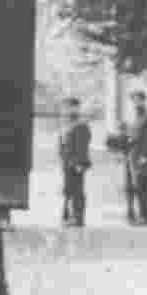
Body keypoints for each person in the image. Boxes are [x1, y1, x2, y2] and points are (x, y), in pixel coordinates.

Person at [124, 90, 147, 227]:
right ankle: (138, 216)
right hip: (133, 157)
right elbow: (133, 137)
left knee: (142, 187)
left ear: (144, 100)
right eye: (133, 100)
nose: (135, 103)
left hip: (144, 158)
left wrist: (144, 156)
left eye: (138, 100)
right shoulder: (136, 118)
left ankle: (144, 218)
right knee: (135, 187)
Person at [58, 97, 91, 227]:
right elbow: (62, 145)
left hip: (76, 164)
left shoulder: (81, 125)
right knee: (68, 191)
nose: (68, 109)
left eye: (72, 107)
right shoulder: (65, 124)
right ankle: (69, 217)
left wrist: (79, 164)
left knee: (77, 191)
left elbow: (82, 146)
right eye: (67, 107)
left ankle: (78, 218)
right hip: (67, 164)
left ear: (77, 108)